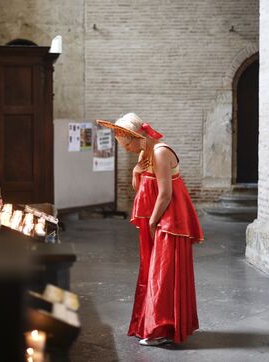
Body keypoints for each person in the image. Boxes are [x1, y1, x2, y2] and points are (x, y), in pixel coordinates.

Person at [97, 113, 203, 346]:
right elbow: (142, 189)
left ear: (136, 137)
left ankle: (162, 330)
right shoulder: (146, 152)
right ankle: (157, 325)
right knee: (152, 272)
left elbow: (165, 194)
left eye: (127, 145)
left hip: (170, 222)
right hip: (157, 220)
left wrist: (154, 222)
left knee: (163, 273)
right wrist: (136, 170)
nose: (127, 149)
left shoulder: (160, 152)